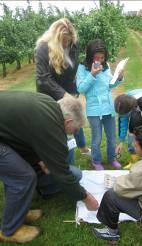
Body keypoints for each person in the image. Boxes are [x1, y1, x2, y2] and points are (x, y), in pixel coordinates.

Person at [0, 91, 98, 243]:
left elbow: (23, 134)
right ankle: (9, 230)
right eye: (76, 129)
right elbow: (63, 174)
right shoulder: (51, 127)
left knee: (19, 172)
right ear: (68, 122)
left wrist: (38, 159)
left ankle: (20, 212)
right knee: (23, 177)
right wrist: (86, 197)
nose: (75, 132)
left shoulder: (50, 104)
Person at [35, 17, 90, 166]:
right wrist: (64, 95)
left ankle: (69, 166)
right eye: (63, 41)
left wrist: (73, 93)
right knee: (57, 132)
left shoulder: (73, 45)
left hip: (68, 93)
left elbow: (71, 72)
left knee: (71, 127)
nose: (66, 44)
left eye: (69, 41)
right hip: (50, 97)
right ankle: (58, 165)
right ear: (54, 38)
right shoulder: (43, 48)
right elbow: (43, 79)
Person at [76, 39, 123, 170]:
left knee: (111, 137)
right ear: (90, 56)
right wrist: (92, 74)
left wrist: (118, 78)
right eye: (96, 57)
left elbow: (110, 85)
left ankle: (111, 158)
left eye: (102, 57)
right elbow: (80, 88)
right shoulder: (82, 68)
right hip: (94, 109)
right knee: (96, 139)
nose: (99, 60)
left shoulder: (106, 66)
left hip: (108, 107)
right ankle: (96, 161)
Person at [114, 89, 142, 154]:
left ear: (131, 109)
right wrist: (121, 141)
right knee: (133, 126)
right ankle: (133, 154)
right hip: (137, 107)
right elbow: (123, 123)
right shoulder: (123, 102)